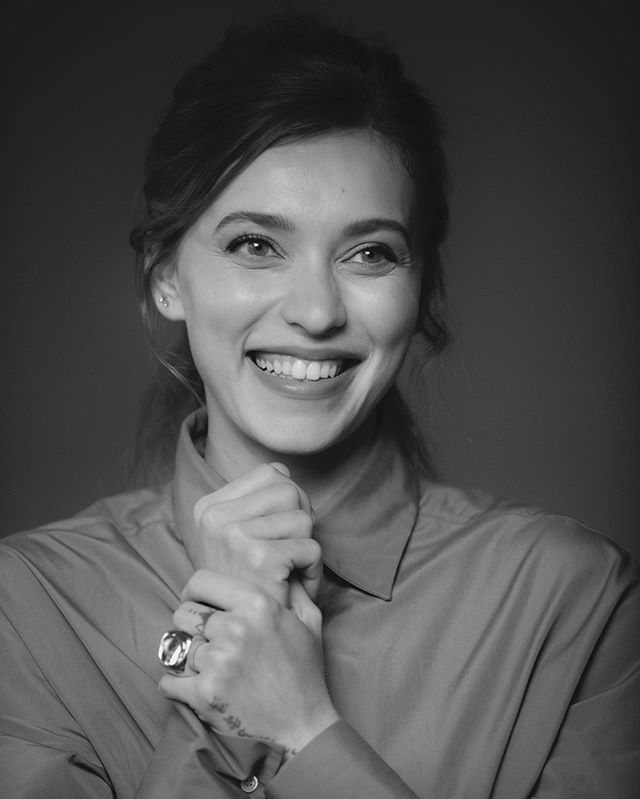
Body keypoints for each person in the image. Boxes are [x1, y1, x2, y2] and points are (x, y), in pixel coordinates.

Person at [1, 12, 638, 799]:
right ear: (167, 277)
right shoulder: (28, 605)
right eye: (255, 245)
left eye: (369, 253)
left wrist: (303, 731)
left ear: (421, 288)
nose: (315, 311)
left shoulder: (573, 599)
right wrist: (223, 698)